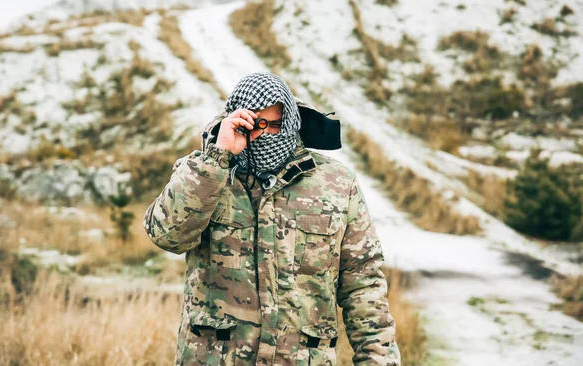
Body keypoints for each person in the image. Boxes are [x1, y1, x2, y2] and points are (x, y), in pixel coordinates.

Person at [142, 72, 400, 365]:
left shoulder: (337, 184)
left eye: (275, 125)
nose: (264, 136)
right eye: (254, 124)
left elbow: (363, 284)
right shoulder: (204, 174)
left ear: (291, 121)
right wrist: (218, 156)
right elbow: (166, 235)